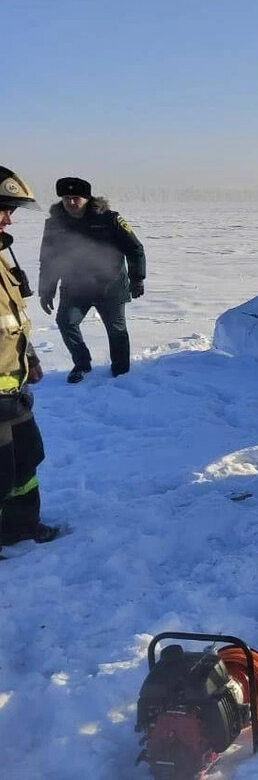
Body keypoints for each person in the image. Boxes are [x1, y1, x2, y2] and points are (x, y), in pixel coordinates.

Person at [0, 166, 59, 555]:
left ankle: (20, 527)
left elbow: (12, 321)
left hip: (12, 390)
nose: (7, 218)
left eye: (10, 211)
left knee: (24, 463)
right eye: (1, 209)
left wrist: (31, 357)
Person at [38, 177, 146, 383]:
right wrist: (47, 290)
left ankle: (121, 370)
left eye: (75, 198)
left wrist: (137, 278)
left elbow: (135, 249)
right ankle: (82, 363)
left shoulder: (109, 219)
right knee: (66, 322)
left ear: (87, 198)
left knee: (116, 330)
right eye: (66, 198)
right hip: (75, 287)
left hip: (110, 285)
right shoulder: (55, 224)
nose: (70, 203)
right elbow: (48, 259)